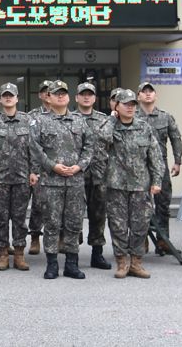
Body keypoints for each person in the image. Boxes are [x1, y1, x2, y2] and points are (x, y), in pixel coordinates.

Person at [29, 80, 93, 280]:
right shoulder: (39, 121)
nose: (60, 96)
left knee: (74, 223)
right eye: (56, 93)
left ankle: (72, 264)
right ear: (48, 97)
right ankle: (52, 264)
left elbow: (89, 147)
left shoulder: (79, 121)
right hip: (51, 182)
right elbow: (35, 149)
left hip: (75, 181)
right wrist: (52, 166)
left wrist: (79, 166)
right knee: (52, 223)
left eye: (64, 93)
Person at [98, 89, 163, 279]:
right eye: (125, 104)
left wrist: (157, 181)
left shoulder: (144, 127)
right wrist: (111, 119)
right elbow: (101, 139)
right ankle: (121, 262)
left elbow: (155, 157)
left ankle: (136, 262)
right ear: (116, 106)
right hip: (115, 186)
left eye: (133, 104)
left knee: (140, 225)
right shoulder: (109, 126)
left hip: (140, 186)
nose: (130, 107)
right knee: (118, 226)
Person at [0, 83, 35, 271]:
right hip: (0, 177)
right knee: (1, 217)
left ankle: (19, 253)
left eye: (11, 95)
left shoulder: (27, 121)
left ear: (17, 98)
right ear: (1, 99)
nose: (8, 98)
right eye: (5, 96)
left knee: (20, 217)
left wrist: (34, 171)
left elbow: (33, 149)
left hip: (22, 177)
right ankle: (2, 253)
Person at [136, 80, 182, 253]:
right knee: (139, 205)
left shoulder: (166, 116)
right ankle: (142, 240)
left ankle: (164, 241)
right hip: (139, 167)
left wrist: (177, 161)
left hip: (160, 167)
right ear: (138, 95)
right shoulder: (133, 116)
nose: (148, 94)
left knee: (163, 204)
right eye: (144, 91)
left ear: (155, 95)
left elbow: (176, 139)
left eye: (151, 91)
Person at [72, 82, 112, 270]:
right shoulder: (69, 119)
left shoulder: (104, 120)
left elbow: (112, 146)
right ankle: (73, 255)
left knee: (98, 215)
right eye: (83, 94)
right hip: (76, 175)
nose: (86, 97)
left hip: (99, 175)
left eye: (90, 94)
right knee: (74, 215)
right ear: (76, 98)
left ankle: (97, 254)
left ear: (95, 98)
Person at [27, 79, 52, 254]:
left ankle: (59, 237)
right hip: (39, 167)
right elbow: (29, 144)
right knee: (37, 204)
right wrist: (33, 169)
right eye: (45, 91)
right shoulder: (32, 116)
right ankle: (35, 236)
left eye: (52, 91)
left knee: (58, 205)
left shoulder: (66, 114)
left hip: (59, 167)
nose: (48, 94)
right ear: (40, 95)